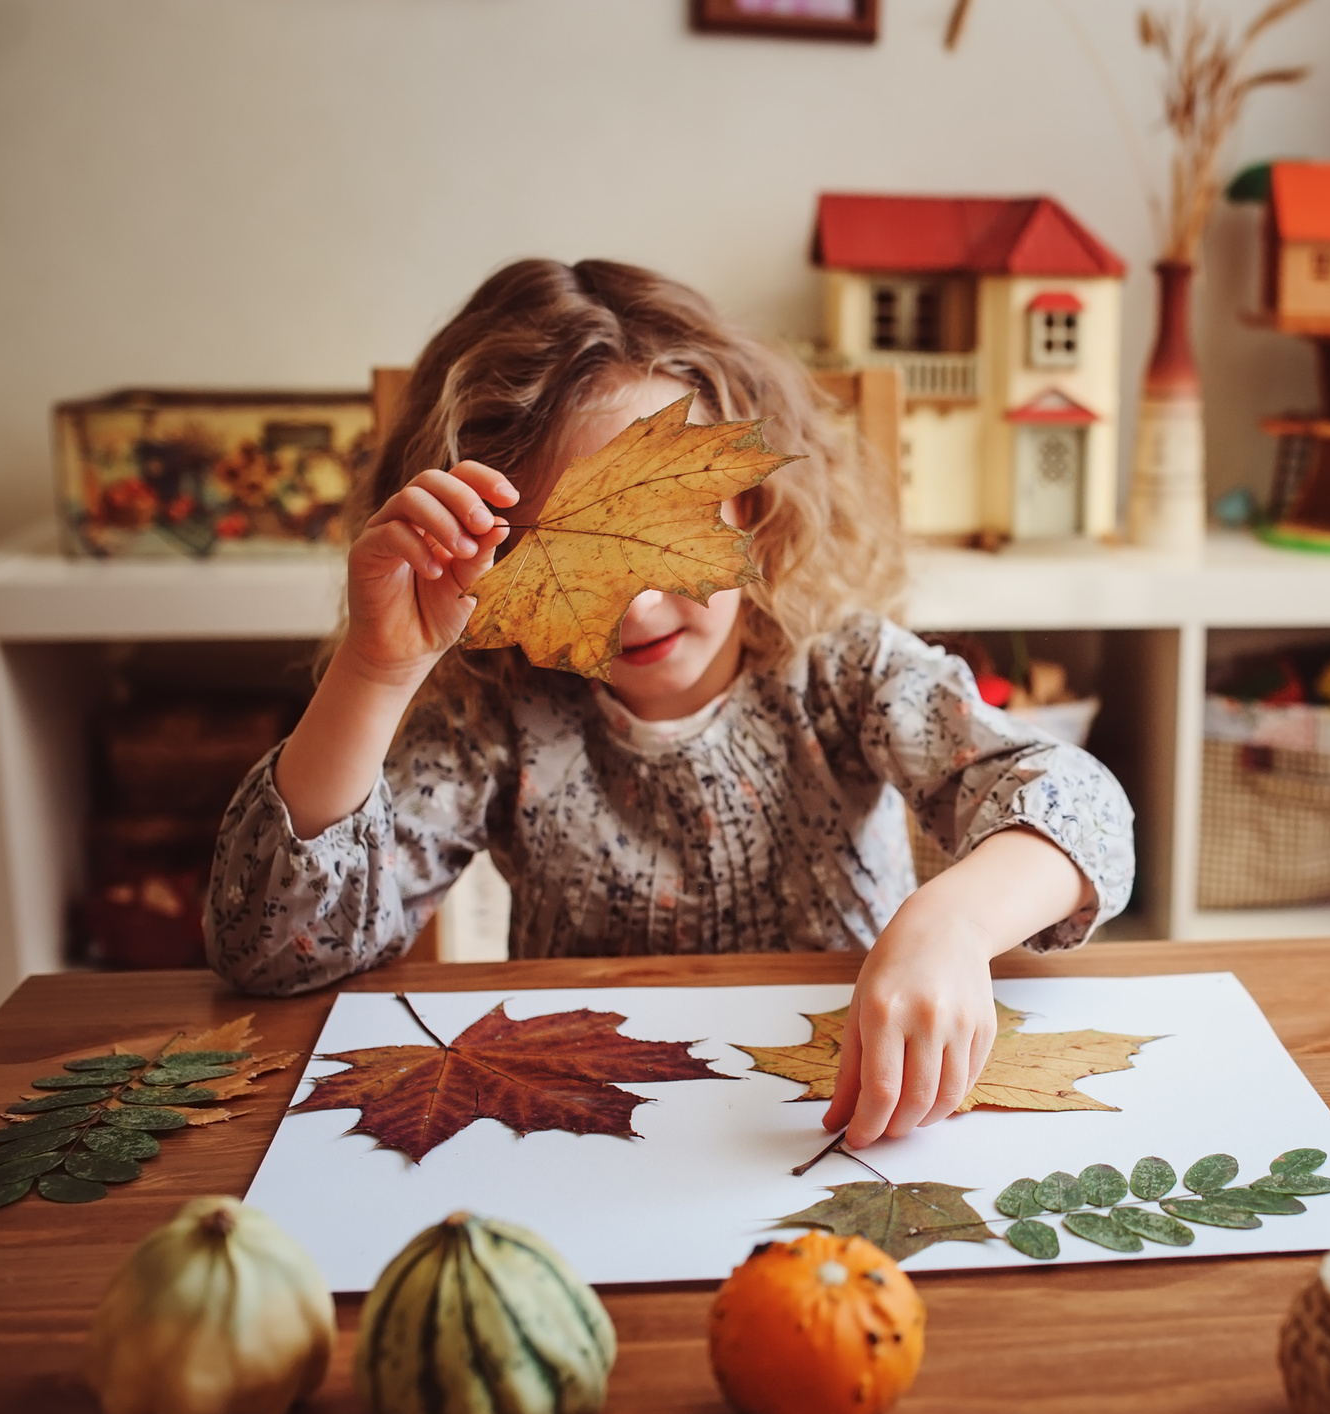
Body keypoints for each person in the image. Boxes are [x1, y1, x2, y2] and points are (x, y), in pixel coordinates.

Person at [204, 259, 1134, 1149]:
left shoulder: (843, 672)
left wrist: (951, 924)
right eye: (572, 562)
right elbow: (274, 952)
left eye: (660, 541)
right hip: (586, 1121)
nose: (637, 607)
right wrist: (375, 672)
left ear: (754, 509)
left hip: (835, 1108)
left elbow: (1083, 809)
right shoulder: (494, 714)